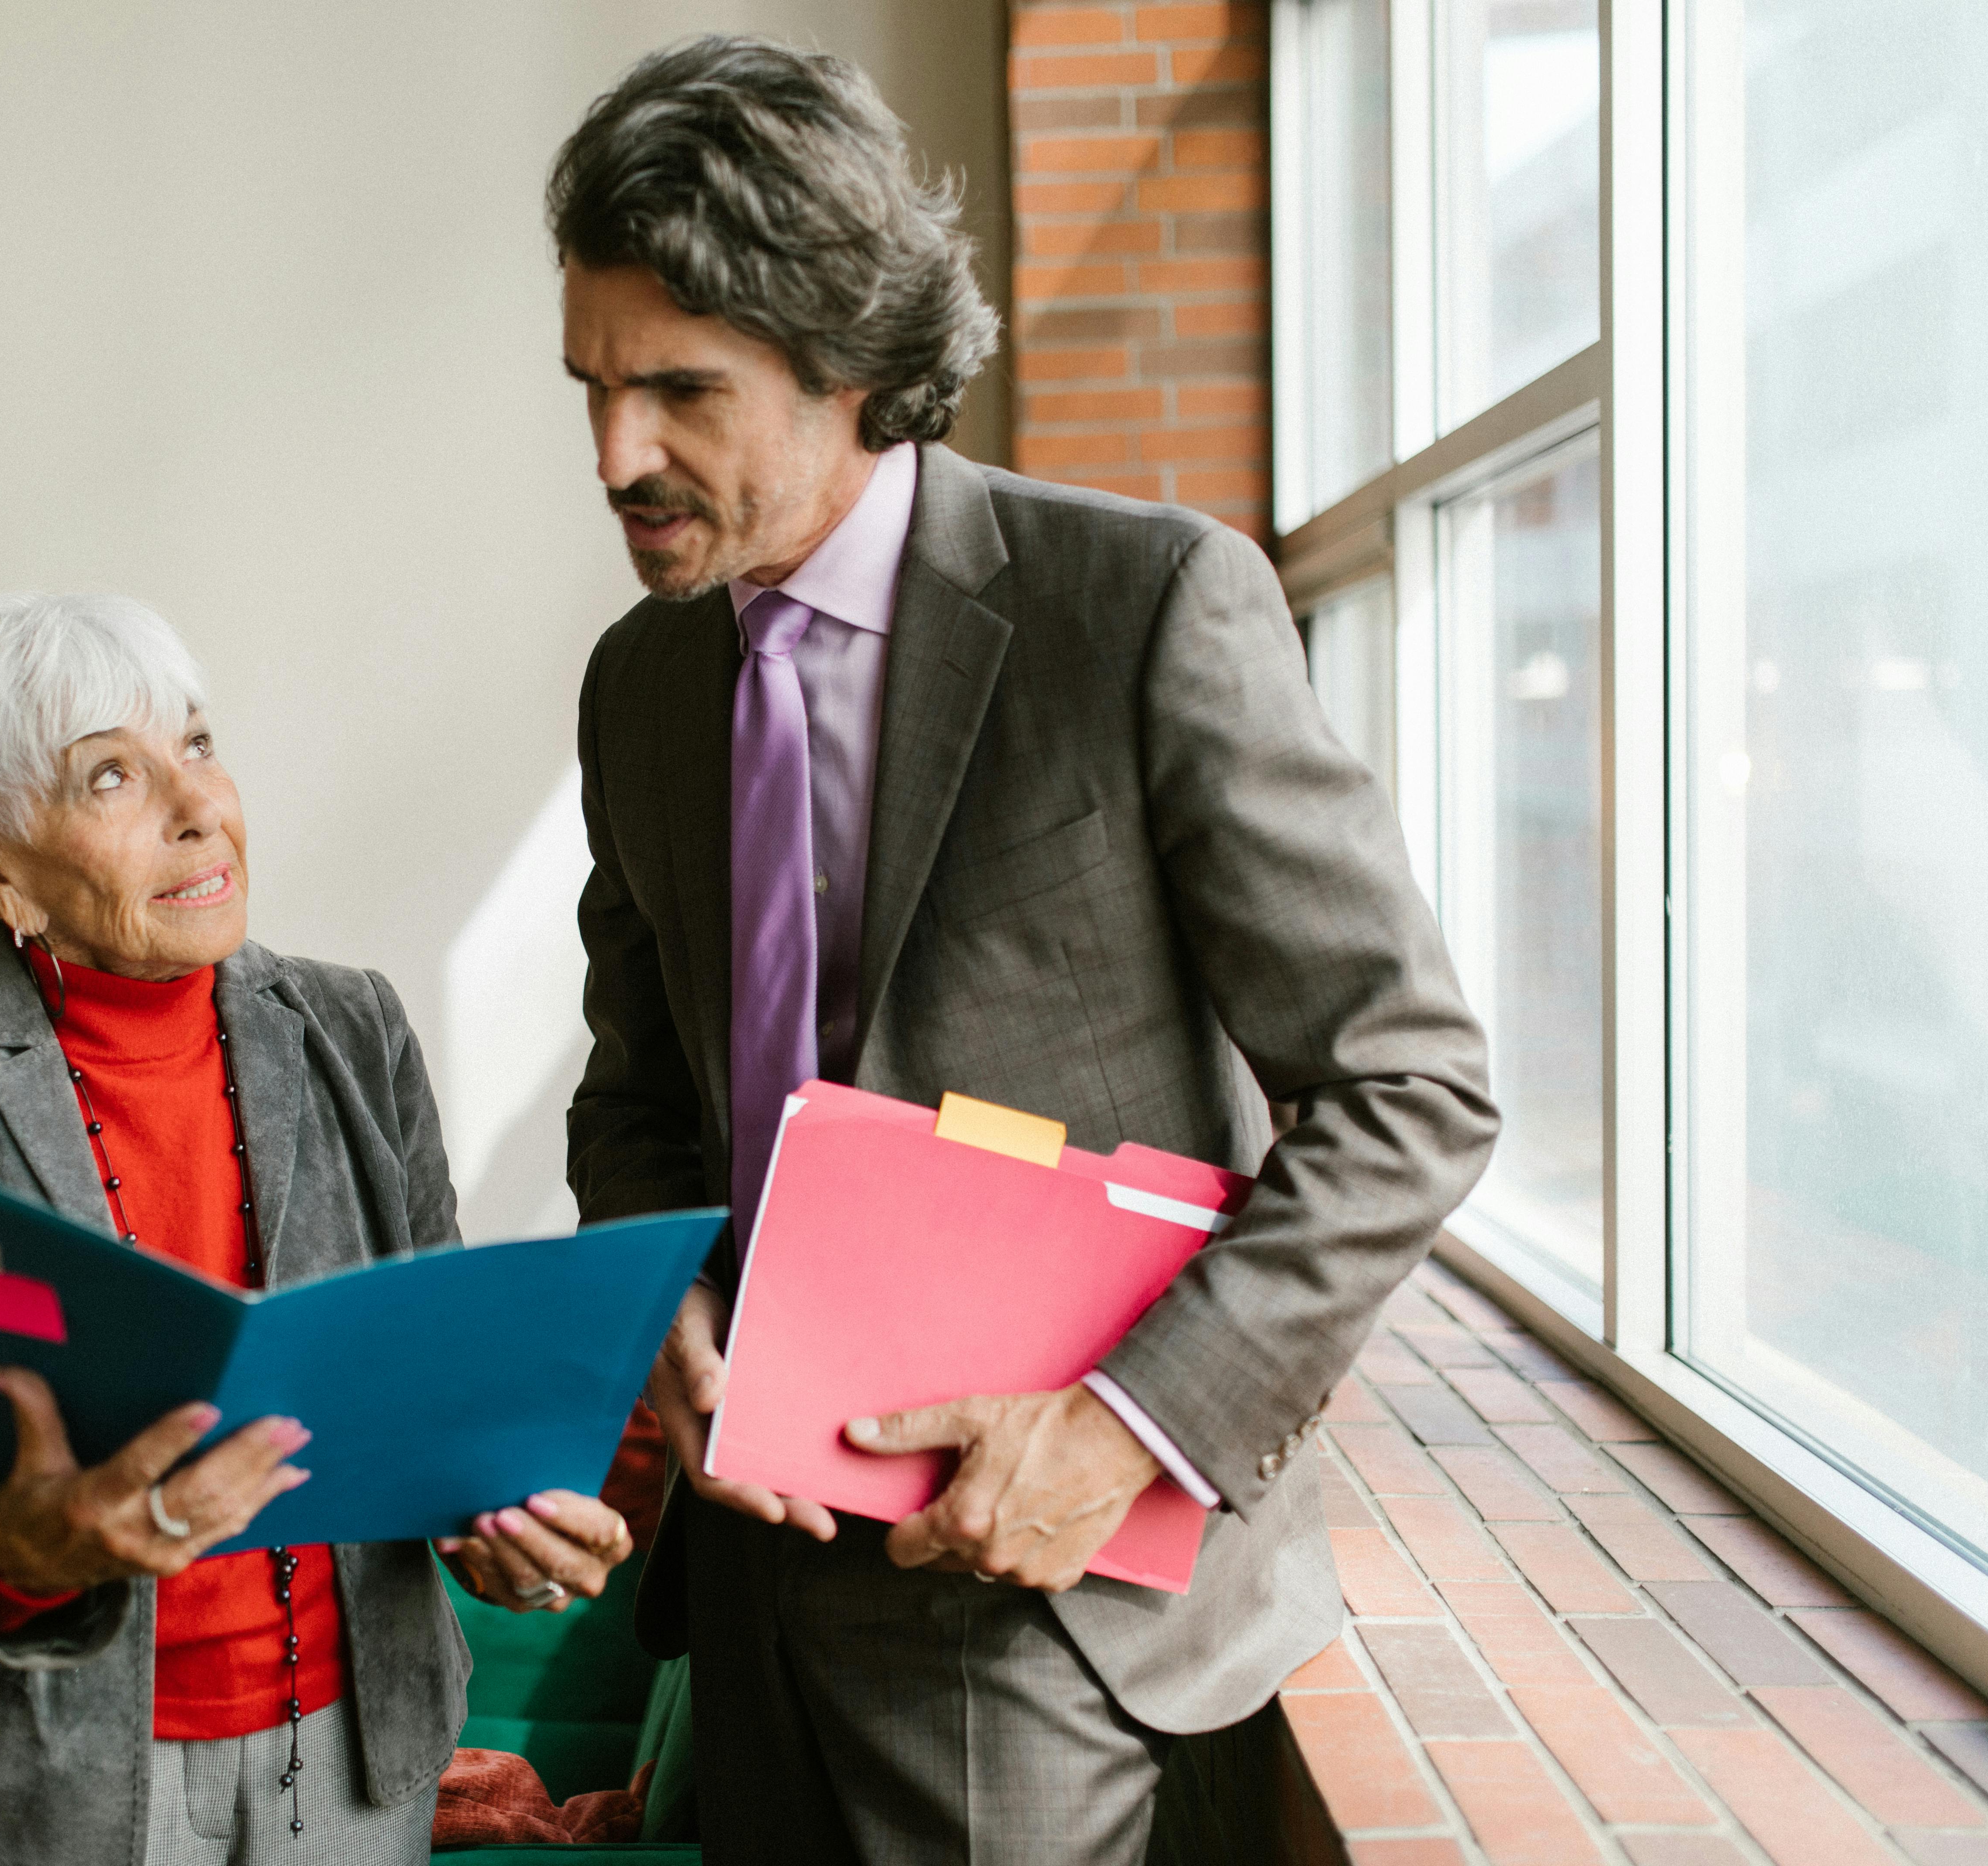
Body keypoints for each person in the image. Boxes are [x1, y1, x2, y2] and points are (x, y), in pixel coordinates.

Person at [551, 38, 1501, 1865]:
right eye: (589, 386)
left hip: (1039, 1596)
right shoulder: (640, 683)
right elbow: (636, 1089)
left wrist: (1128, 1426)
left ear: (850, 364)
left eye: (680, 388)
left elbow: (1413, 1087)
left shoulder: (1139, 608)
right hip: (749, 1579)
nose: (615, 454)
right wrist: (653, 1289)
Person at [0, 592, 634, 1866]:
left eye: (196, 743)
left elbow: (439, 1392)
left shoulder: (354, 1031)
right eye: (112, 776)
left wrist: (505, 1521)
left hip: (353, 1765)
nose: (199, 808)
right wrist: (23, 1549)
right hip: (45, 1784)